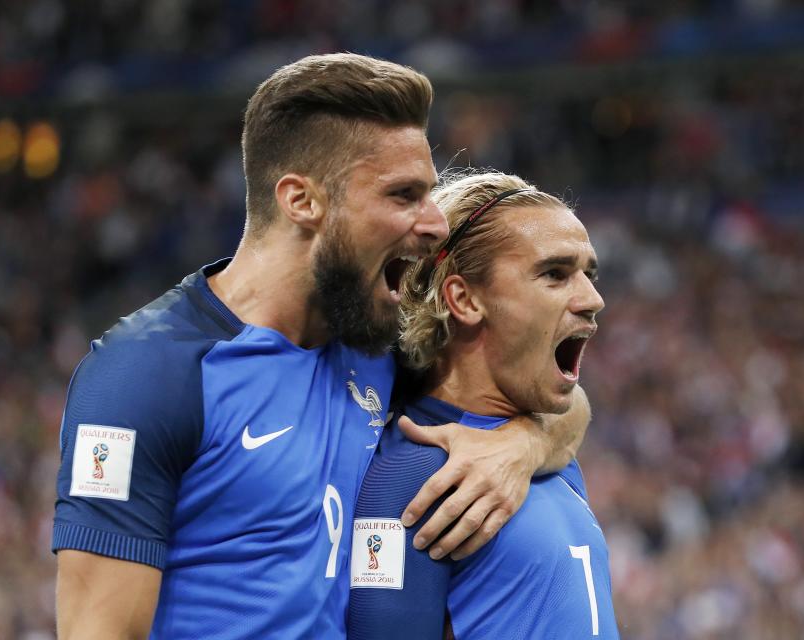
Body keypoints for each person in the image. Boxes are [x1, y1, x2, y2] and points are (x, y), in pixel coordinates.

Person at [52, 54, 589, 639]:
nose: (436, 224)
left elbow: (560, 401)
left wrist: (521, 445)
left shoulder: (375, 345)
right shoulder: (147, 376)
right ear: (301, 201)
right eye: (404, 195)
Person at [347, 171, 619, 639]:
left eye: (588, 274)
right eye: (555, 274)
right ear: (464, 298)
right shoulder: (412, 478)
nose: (593, 299)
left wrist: (528, 444)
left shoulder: (547, 450)